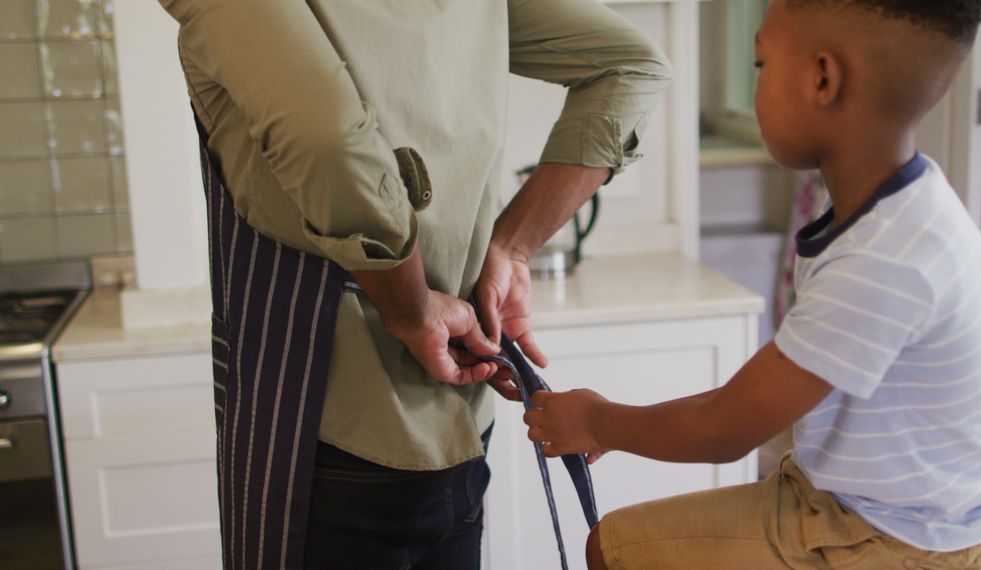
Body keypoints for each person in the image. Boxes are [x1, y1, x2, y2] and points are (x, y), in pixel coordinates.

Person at [158, 0, 671, 568]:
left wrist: (413, 310)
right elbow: (632, 66)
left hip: (323, 424)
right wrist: (512, 246)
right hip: (461, 423)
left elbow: (328, 141)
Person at [524, 1, 981, 568]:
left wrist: (596, 421)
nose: (756, 83)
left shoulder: (888, 259)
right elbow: (752, 395)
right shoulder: (900, 211)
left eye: (761, 64)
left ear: (822, 79)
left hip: (907, 539)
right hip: (944, 504)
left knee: (612, 549)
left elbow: (724, 428)